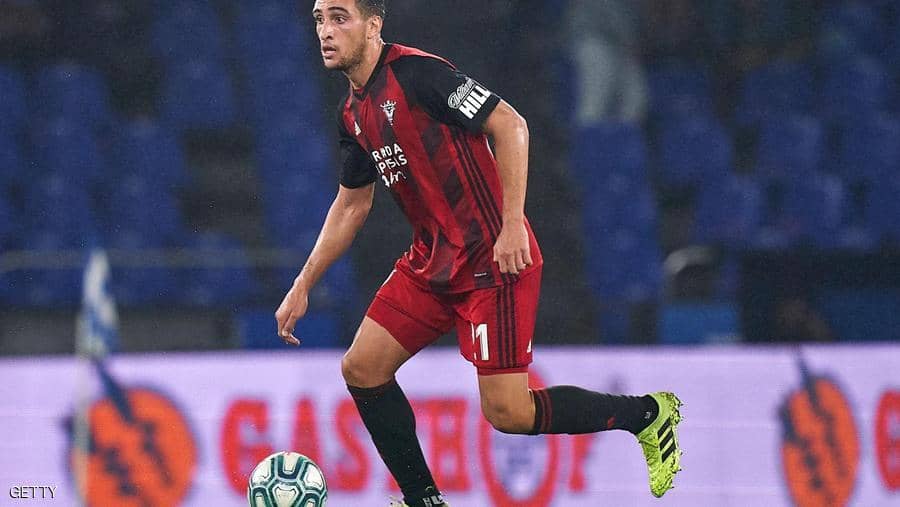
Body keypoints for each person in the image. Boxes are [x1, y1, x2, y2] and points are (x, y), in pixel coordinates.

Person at [275, 1, 683, 505]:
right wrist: (303, 283)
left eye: (340, 17)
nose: (326, 30)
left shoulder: (420, 74)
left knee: (508, 413)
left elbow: (510, 125)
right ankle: (423, 500)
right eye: (319, 19)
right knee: (362, 368)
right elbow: (352, 203)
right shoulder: (352, 113)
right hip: (431, 262)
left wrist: (512, 225)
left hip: (493, 260)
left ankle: (647, 415)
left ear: (373, 25)